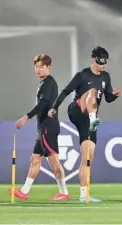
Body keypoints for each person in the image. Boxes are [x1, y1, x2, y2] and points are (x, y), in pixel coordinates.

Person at [48, 46, 122, 203]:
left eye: (105, 62)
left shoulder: (106, 77)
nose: (104, 65)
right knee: (92, 92)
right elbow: (65, 92)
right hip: (77, 110)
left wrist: (115, 95)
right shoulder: (82, 75)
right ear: (94, 59)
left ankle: (84, 194)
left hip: (88, 121)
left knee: (88, 157)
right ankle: (93, 118)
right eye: (101, 61)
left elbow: (108, 98)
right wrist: (55, 107)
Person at [8, 54, 70, 200]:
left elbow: (43, 104)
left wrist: (26, 117)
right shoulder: (43, 83)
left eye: (42, 66)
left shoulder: (49, 83)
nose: (38, 69)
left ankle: (64, 192)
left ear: (49, 67)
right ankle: (24, 191)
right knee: (35, 159)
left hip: (48, 127)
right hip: (43, 128)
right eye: (36, 66)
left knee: (54, 161)